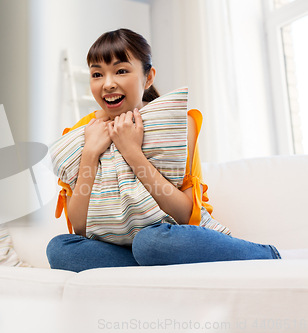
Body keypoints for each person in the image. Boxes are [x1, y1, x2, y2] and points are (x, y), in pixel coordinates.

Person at [46, 28, 308, 273]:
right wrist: (91, 153)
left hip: (170, 237)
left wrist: (132, 152)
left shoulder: (176, 124)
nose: (108, 84)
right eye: (97, 74)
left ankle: (272, 255)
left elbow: (184, 215)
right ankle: (152, 267)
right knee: (60, 248)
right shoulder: (82, 133)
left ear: (148, 77)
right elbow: (79, 227)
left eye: (121, 71)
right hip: (120, 248)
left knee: (151, 242)